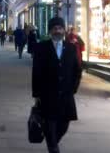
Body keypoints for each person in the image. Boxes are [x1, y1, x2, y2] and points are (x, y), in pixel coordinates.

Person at [32, 17, 82, 153]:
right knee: (50, 127)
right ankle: (53, 146)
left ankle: (53, 143)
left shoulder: (71, 48)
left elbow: (77, 70)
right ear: (50, 31)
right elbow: (36, 72)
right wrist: (36, 94)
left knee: (64, 125)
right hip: (48, 95)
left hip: (66, 95)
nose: (57, 31)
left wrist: (73, 88)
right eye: (54, 28)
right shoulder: (42, 47)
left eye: (60, 28)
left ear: (64, 30)